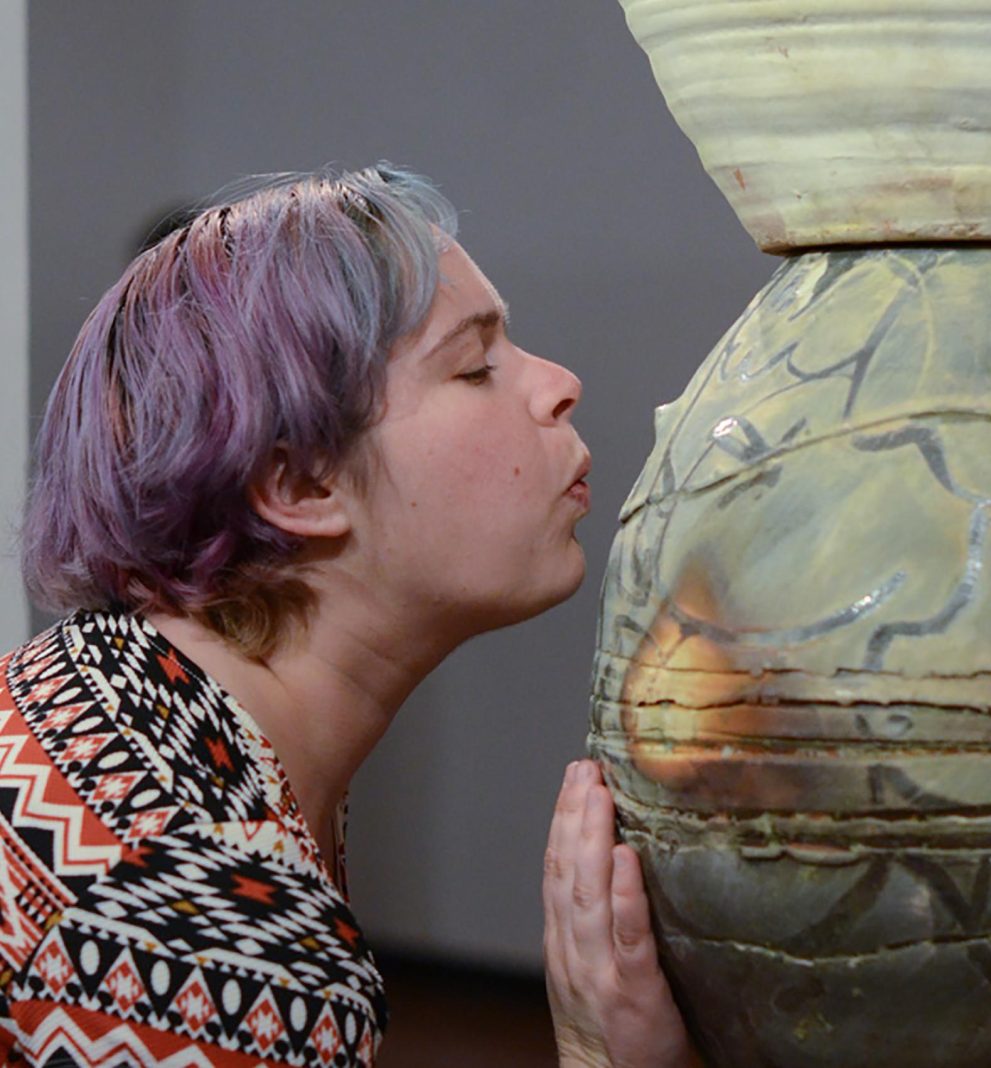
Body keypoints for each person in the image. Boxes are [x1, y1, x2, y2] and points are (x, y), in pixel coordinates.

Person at [2, 164, 697, 1067]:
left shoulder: (111, 699)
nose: (559, 384)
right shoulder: (200, 909)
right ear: (298, 483)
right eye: (476, 365)